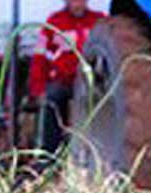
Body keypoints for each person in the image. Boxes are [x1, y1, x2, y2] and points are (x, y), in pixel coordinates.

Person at [28, 0, 106, 156]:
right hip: (65, 82)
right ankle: (50, 155)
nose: (78, 4)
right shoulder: (54, 22)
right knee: (52, 98)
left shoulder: (100, 21)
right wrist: (38, 87)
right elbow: (40, 57)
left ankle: (99, 152)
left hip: (95, 82)